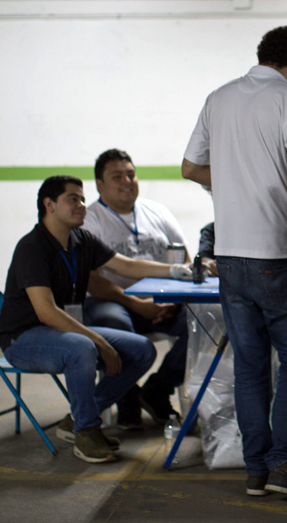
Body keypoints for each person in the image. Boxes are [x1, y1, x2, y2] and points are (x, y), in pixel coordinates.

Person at [181, 26, 287, 498]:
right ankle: (284, 466)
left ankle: (255, 471)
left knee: (249, 366)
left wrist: (234, 179)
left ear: (260, 55)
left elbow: (190, 167)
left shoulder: (218, 98)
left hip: (230, 258)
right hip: (278, 253)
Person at [0, 175, 193, 463]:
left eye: (82, 198)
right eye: (72, 199)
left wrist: (174, 271)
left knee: (142, 350)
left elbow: (125, 265)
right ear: (48, 205)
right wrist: (98, 339)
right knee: (82, 347)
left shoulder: (81, 240)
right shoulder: (33, 248)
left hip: (60, 333)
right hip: (24, 339)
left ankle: (76, 419)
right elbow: (46, 312)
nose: (82, 205)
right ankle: (87, 431)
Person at [82, 148, 193, 429]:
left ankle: (157, 390)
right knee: (113, 324)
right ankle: (126, 396)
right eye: (117, 176)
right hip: (112, 301)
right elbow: (91, 280)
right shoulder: (90, 221)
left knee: (202, 326)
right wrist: (136, 304)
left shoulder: (157, 212)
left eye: (130, 174)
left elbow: (184, 261)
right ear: (99, 184)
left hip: (162, 300)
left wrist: (175, 302)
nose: (127, 181)